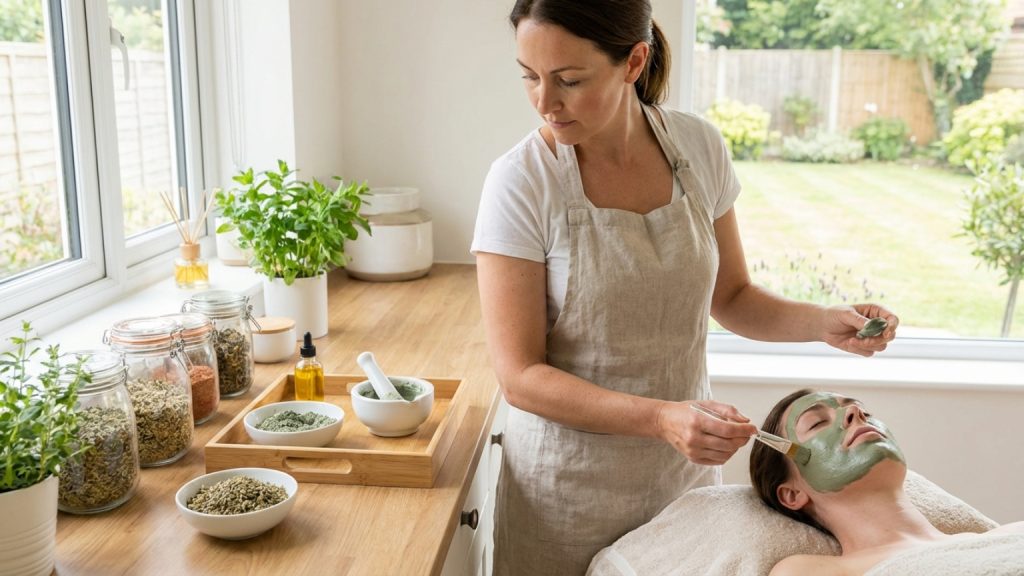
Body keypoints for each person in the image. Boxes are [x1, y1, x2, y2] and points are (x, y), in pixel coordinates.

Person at [471, 1, 899, 573]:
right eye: (530, 76)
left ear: (633, 62)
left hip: (684, 488)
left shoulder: (698, 149)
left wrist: (824, 323)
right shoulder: (520, 182)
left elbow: (734, 298)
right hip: (566, 497)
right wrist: (658, 418)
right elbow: (520, 376)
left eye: (570, 80)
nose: (545, 103)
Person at [750, 389, 1024, 575]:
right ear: (791, 494)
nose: (855, 412)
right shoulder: (809, 571)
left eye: (864, 414)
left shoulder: (1013, 535)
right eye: (817, 423)